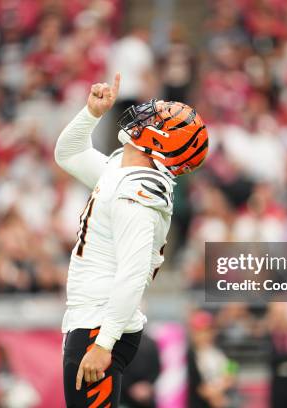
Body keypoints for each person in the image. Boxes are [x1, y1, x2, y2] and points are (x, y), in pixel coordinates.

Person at [55, 73, 209, 407]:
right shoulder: (121, 173)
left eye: (157, 119)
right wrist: (90, 115)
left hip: (100, 326)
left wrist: (104, 343)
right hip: (93, 321)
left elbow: (133, 273)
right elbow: (67, 153)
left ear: (161, 139)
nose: (145, 116)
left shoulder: (136, 193)